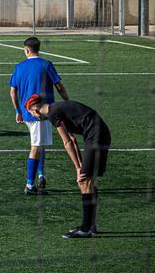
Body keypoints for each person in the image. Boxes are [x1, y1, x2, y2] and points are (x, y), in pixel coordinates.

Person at [25, 95, 112, 239]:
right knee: (87, 181)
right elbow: (72, 139)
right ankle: (90, 225)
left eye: (30, 113)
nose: (32, 116)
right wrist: (78, 166)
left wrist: (79, 169)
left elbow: (67, 143)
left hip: (96, 136)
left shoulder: (53, 114)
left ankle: (85, 229)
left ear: (35, 109)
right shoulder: (56, 109)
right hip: (97, 134)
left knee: (84, 181)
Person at [8, 36, 70, 195]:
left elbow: (13, 91)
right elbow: (60, 87)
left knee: (40, 144)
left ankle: (41, 174)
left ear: (26, 49)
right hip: (40, 113)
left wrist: (18, 111)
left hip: (27, 112)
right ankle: (30, 185)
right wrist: (68, 102)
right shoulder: (46, 65)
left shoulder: (19, 67)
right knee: (36, 146)